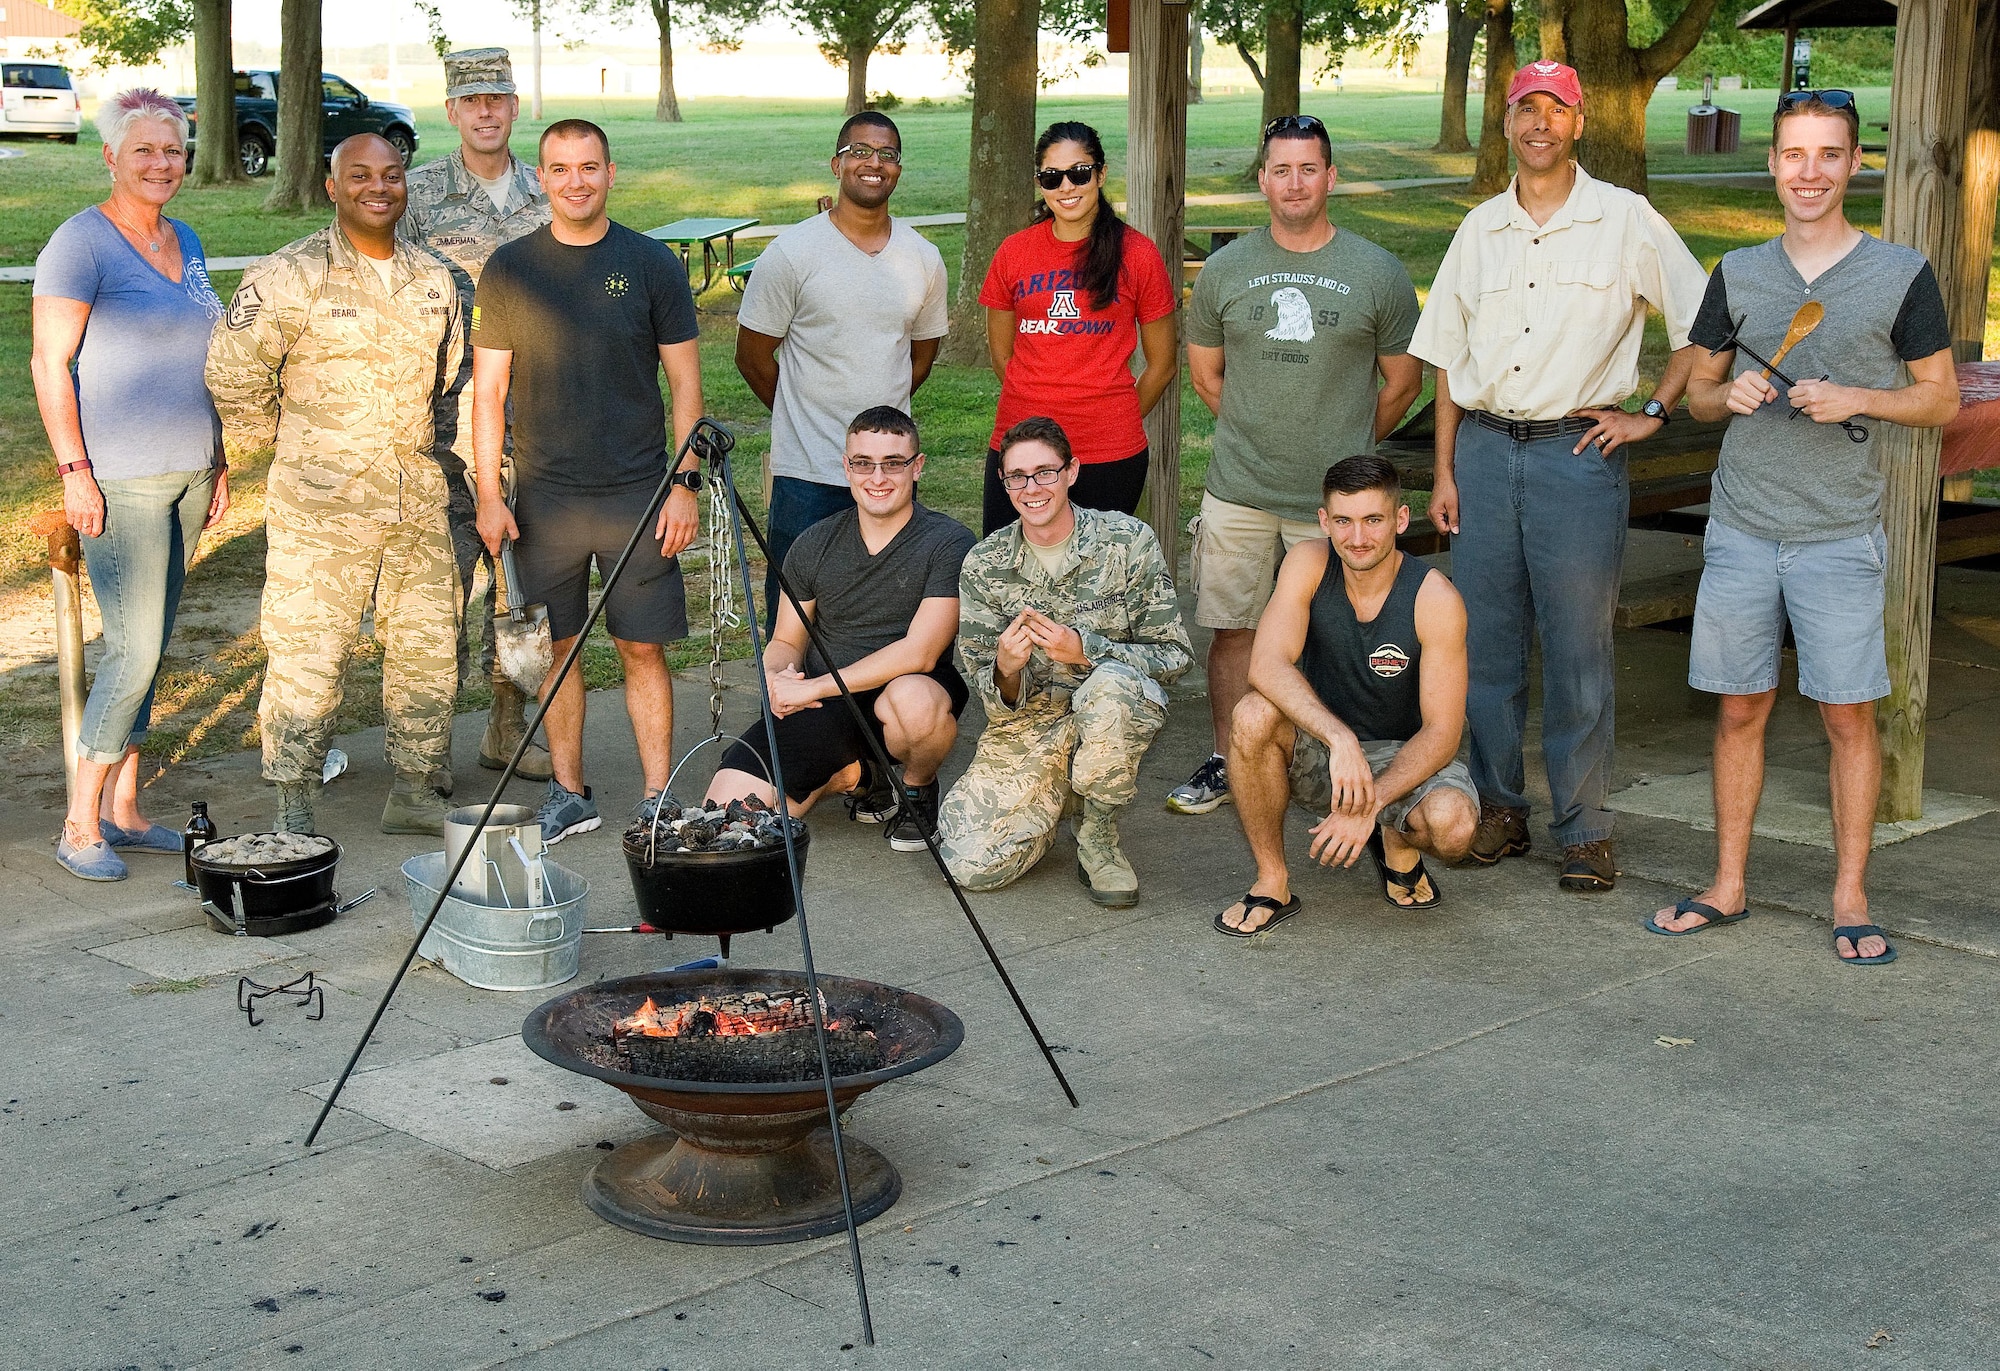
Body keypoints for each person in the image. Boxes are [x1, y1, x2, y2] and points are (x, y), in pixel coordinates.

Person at [1648, 91, 1959, 965]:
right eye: (1794, 155)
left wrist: (1858, 395)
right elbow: (1702, 393)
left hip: (1839, 533)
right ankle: (1728, 885)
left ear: (1855, 163)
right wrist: (1726, 394)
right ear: (1774, 164)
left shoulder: (1901, 275)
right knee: (1740, 710)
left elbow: (1939, 396)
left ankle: (1850, 896)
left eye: (1829, 155)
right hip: (1742, 527)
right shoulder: (1738, 273)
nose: (1810, 173)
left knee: (1847, 718)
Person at [1408, 58, 1708, 892]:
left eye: (1556, 108)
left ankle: (1584, 828)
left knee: (1579, 652)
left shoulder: (1626, 219)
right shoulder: (1480, 229)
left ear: (1579, 123)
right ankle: (1501, 809)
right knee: (1487, 648)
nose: (1539, 123)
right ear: (1505, 123)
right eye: (1524, 109)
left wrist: (1651, 410)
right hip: (1482, 451)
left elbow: (1703, 319)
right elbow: (1446, 362)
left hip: (1576, 458)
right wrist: (1443, 470)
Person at [1167, 112, 1423, 820]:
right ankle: (1230, 756)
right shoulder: (1224, 271)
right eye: (1281, 169)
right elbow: (1208, 379)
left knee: (1334, 636)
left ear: (1331, 177)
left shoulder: (1376, 271)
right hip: (1242, 491)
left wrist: (1344, 447)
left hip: (1335, 506)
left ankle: (1328, 762)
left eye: (1308, 168)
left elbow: (1404, 383)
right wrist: (1264, 433)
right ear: (1263, 180)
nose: (1294, 182)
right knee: (1235, 633)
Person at [207, 133, 464, 837]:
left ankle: (415, 786)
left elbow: (446, 380)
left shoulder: (433, 278)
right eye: (359, 175)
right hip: (320, 507)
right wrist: (285, 450)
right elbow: (232, 372)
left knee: (427, 646)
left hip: (413, 497)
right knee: (308, 652)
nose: (377, 186)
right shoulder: (290, 274)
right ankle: (293, 799)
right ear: (331, 186)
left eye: (390, 174)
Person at [472, 118, 703, 844]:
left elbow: (686, 386)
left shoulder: (650, 263)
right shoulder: (510, 269)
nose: (576, 180)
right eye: (561, 168)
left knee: (642, 647)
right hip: (546, 498)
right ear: (541, 178)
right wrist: (488, 492)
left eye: (589, 167)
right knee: (560, 647)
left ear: (611, 173)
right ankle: (571, 792)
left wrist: (685, 483)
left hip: (638, 496)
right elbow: (488, 393)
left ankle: (658, 798)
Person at [31, 89, 228, 881]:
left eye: (173, 150)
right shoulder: (81, 244)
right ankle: (79, 824)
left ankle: (126, 810)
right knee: (135, 648)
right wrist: (75, 472)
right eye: (144, 150)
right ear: (110, 156)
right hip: (119, 479)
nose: (161, 164)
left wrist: (218, 461)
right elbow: (50, 366)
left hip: (188, 473)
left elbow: (207, 358)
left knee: (153, 645)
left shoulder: (188, 238)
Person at [1216, 456, 1477, 935]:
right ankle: (1272, 880)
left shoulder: (1435, 599)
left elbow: (1443, 733)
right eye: (1344, 521)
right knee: (1251, 714)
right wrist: (1340, 739)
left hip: (1404, 756)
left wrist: (1372, 803)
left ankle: (1395, 835)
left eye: (1373, 520)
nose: (1358, 538)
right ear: (1324, 521)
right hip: (1326, 753)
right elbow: (1266, 664)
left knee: (1453, 827)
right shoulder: (1309, 564)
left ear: (1400, 519)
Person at [937, 418, 1191, 908]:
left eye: (1045, 473)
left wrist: (1087, 650)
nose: (1031, 489)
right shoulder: (985, 564)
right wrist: (1006, 670)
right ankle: (1057, 798)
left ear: (1072, 472)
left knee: (1111, 688)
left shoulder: (1126, 540)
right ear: (1003, 482)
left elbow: (1174, 656)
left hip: (1112, 707)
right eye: (1017, 477)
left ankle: (1097, 834)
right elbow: (989, 697)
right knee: (972, 867)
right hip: (1032, 724)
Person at [705, 407, 974, 853]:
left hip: (907, 690)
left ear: (918, 466)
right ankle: (865, 778)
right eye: (864, 463)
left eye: (894, 462)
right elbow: (787, 641)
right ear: (847, 467)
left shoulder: (949, 542)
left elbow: (920, 653)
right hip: (828, 700)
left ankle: (915, 787)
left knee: (912, 700)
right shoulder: (815, 542)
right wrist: (778, 678)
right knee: (725, 819)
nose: (878, 477)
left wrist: (813, 689)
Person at [399, 46, 554, 788]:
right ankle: (427, 747)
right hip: (446, 423)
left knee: (523, 583)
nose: (487, 111)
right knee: (444, 586)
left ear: (515, 107)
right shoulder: (417, 195)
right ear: (452, 111)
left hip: (540, 416)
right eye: (472, 101)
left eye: (499, 98)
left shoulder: (548, 192)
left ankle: (507, 724)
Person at [736, 110, 949, 629]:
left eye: (887, 155)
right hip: (808, 469)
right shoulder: (792, 253)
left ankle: (879, 703)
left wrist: (879, 426)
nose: (874, 163)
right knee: (795, 608)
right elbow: (751, 355)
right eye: (860, 152)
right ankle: (785, 705)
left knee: (888, 600)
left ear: (898, 169)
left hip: (890, 469)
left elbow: (920, 356)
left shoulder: (923, 259)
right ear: (837, 163)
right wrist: (801, 409)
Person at [977, 121, 1177, 536]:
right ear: (1040, 184)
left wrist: (1114, 416)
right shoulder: (1014, 252)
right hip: (1019, 447)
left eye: (1079, 173)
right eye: (1052, 177)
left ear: (1100, 175)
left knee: (1096, 587)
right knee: (1012, 577)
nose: (1067, 187)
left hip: (1108, 451)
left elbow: (1163, 364)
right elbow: (1002, 357)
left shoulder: (1138, 254)